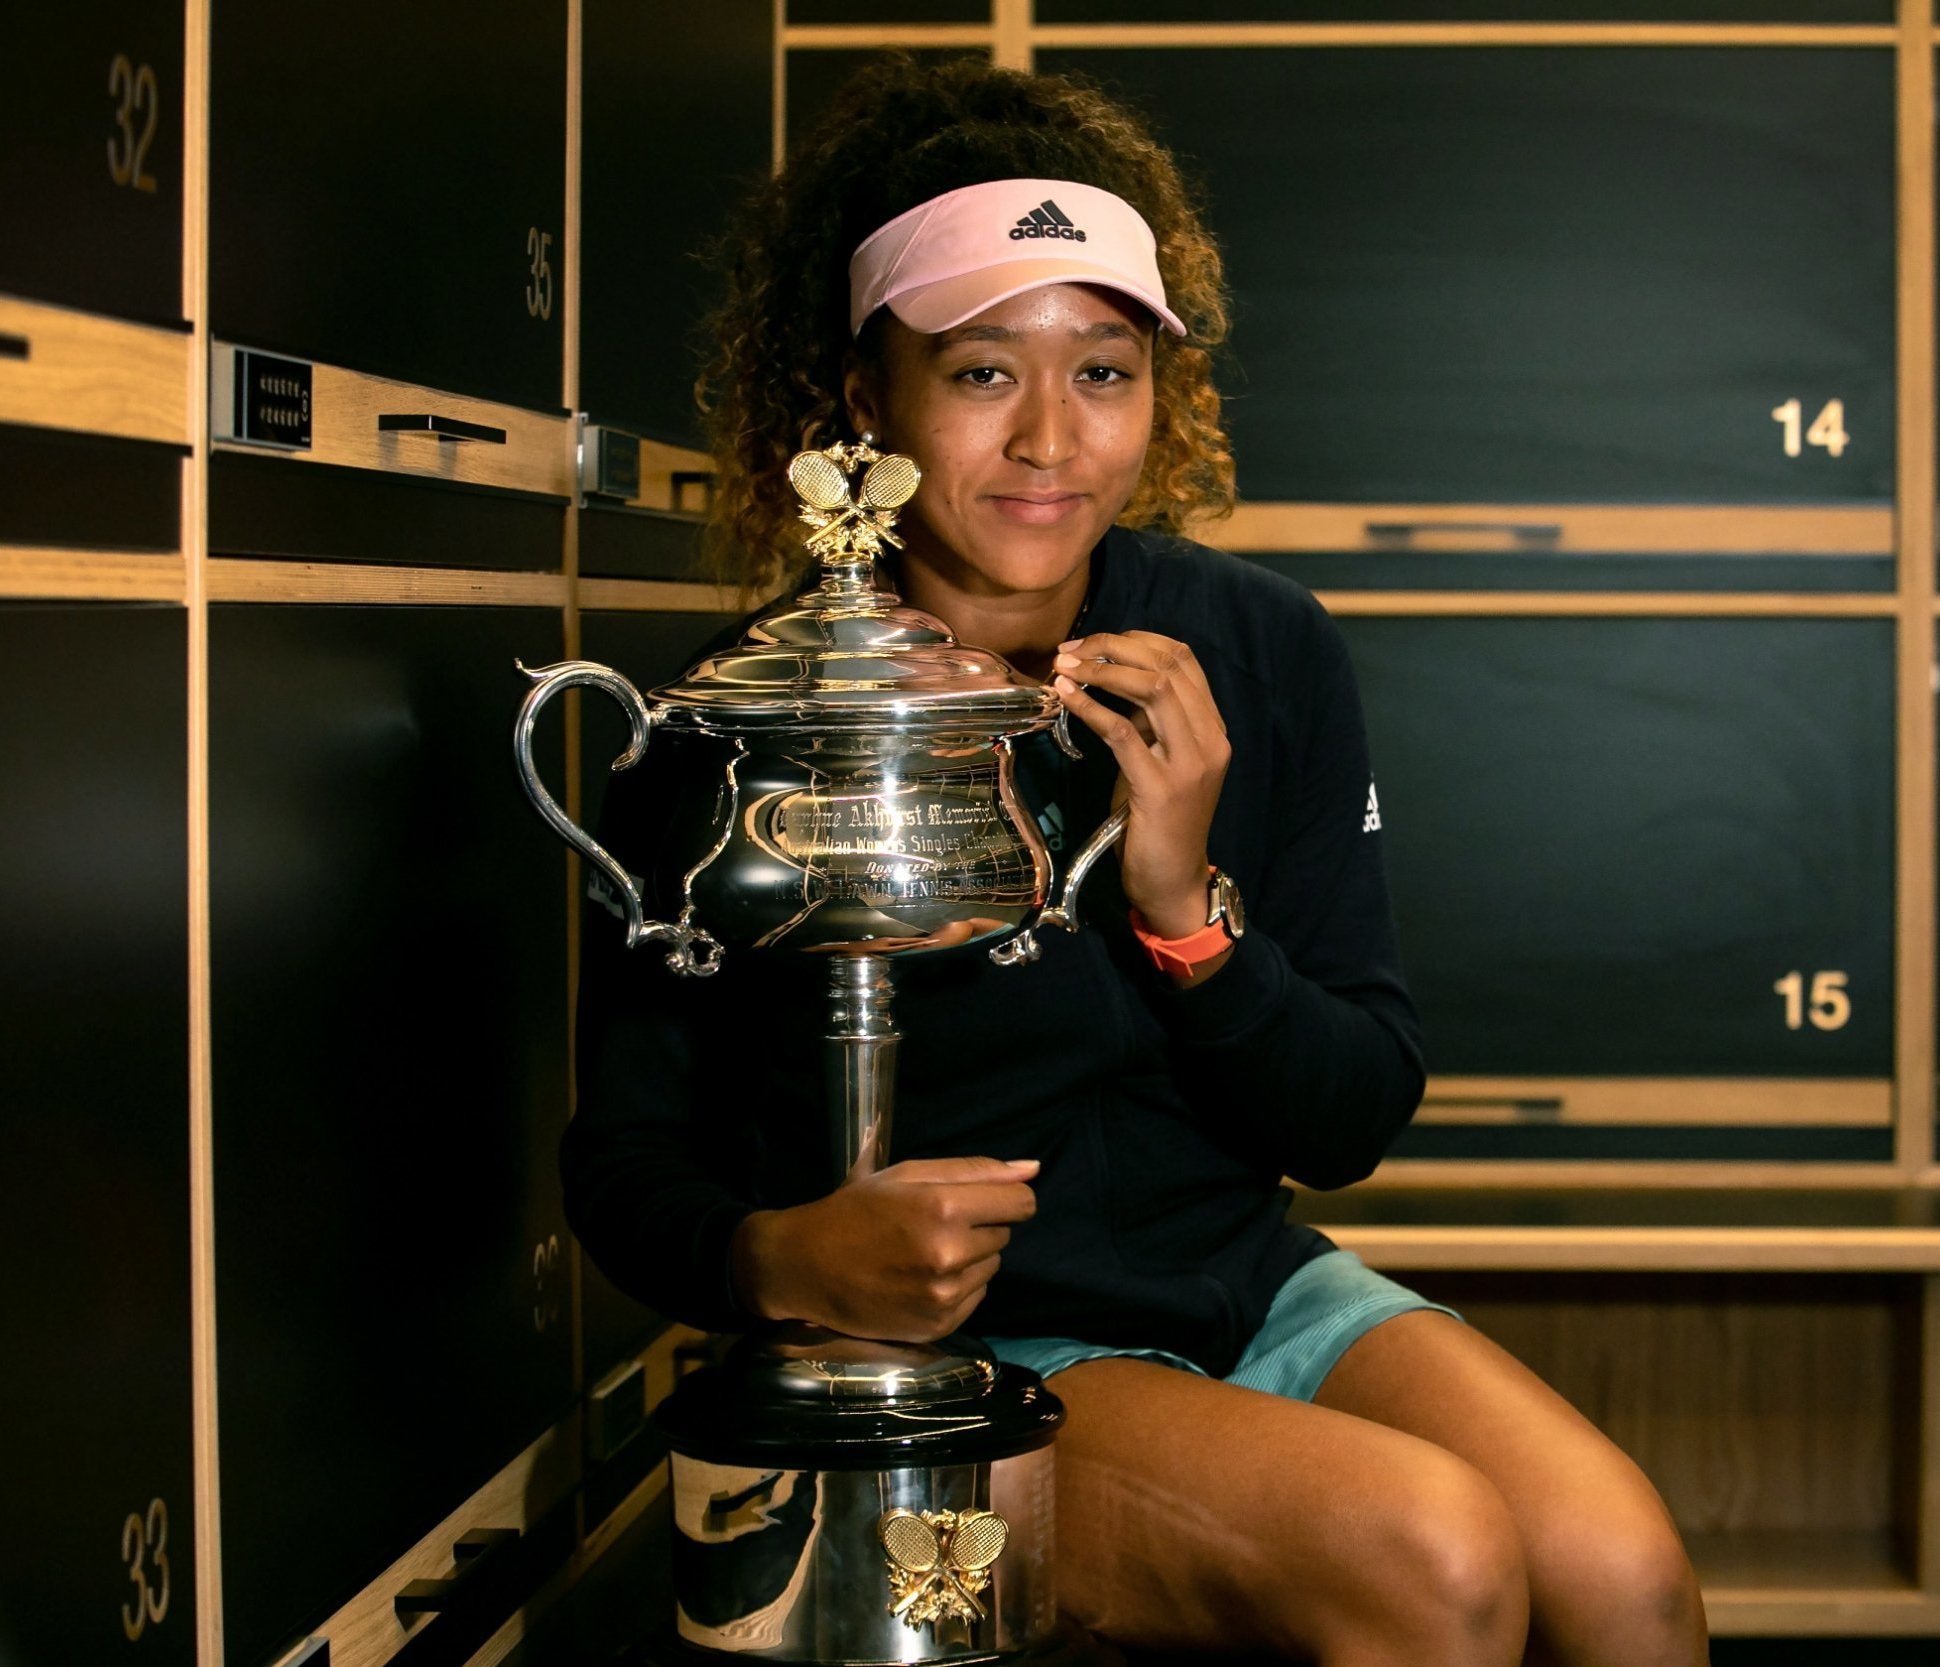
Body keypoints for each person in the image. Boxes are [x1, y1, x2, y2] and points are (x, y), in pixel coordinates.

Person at [566, 55, 1708, 1667]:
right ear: (861, 396)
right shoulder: (746, 713)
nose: (1050, 441)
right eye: (978, 374)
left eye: (1102, 371)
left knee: (1623, 1575)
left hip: (1244, 1284)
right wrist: (776, 1254)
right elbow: (619, 1164)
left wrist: (1185, 911)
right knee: (1435, 1564)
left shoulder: (1260, 647)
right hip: (977, 1348)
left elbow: (1353, 1112)